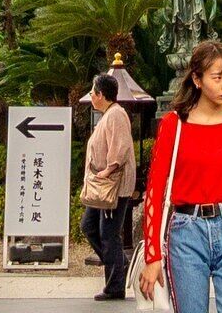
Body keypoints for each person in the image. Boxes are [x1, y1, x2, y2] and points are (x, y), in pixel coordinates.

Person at [145, 43, 222, 313]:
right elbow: (155, 191)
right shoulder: (173, 125)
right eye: (217, 76)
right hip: (186, 232)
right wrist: (153, 255)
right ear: (197, 80)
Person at [83, 72, 141, 300]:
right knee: (90, 226)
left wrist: (109, 170)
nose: (91, 96)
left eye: (92, 92)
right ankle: (120, 265)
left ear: (100, 94)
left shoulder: (116, 115)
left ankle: (115, 284)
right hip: (102, 186)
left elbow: (121, 147)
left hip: (112, 186)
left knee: (109, 234)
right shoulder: (109, 115)